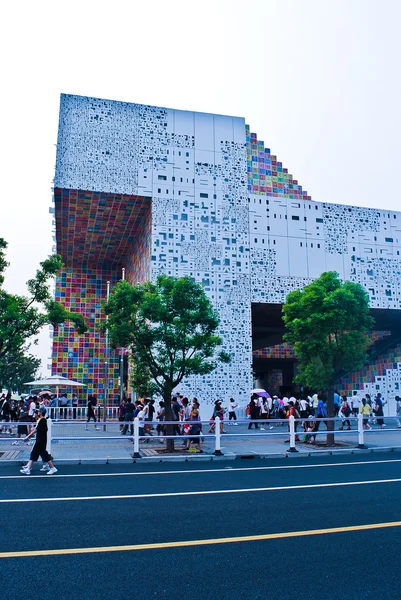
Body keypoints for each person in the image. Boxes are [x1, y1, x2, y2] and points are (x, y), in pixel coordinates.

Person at [20, 407, 57, 475]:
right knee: (34, 453)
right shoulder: (41, 420)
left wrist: (28, 437)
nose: (38, 412)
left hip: (41, 440)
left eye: (39, 411)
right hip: (39, 439)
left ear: (41, 412)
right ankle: (28, 469)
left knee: (44, 454)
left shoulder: (43, 420)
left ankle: (52, 468)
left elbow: (36, 430)